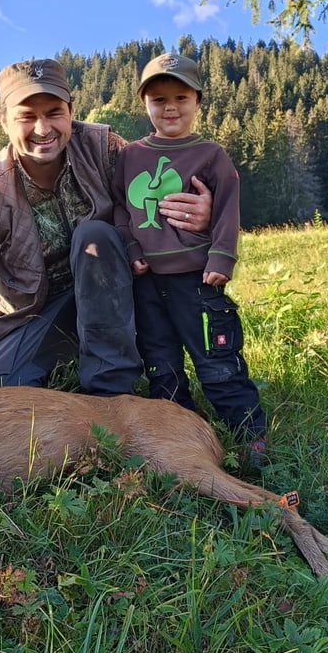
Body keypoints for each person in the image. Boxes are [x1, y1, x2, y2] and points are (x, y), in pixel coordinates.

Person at [0, 59, 211, 393]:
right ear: (4, 120)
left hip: (116, 292)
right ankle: (66, 357)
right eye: (27, 116)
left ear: (71, 111)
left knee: (95, 237)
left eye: (54, 112)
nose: (43, 129)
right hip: (35, 313)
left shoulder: (104, 147)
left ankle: (110, 391)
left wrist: (201, 215)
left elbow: (160, 192)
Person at [111, 52, 267, 453]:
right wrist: (131, 249)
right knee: (160, 361)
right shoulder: (130, 157)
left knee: (217, 359)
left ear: (198, 101)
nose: (171, 108)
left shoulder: (210, 154)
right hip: (146, 282)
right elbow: (121, 210)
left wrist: (222, 258)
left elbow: (228, 207)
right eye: (159, 99)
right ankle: (177, 435)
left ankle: (251, 436)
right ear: (144, 103)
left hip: (197, 280)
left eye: (181, 97)